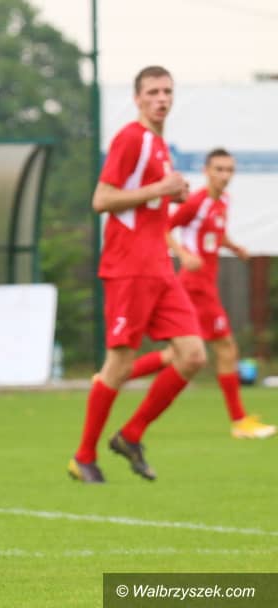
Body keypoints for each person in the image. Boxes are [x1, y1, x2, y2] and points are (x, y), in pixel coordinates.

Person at [68, 66, 207, 484]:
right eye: (153, 92)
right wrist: (159, 190)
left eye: (167, 91)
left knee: (193, 355)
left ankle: (131, 435)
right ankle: (83, 456)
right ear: (137, 98)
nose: (161, 98)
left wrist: (171, 196)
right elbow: (102, 199)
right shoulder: (131, 137)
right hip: (128, 268)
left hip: (159, 269)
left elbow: (146, 205)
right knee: (120, 363)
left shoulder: (159, 145)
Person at [125, 149, 275, 439]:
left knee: (177, 353)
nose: (224, 175)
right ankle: (239, 421)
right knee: (226, 348)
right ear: (206, 171)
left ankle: (111, 377)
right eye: (219, 169)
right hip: (195, 287)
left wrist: (234, 247)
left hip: (204, 286)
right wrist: (183, 254)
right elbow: (164, 228)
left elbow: (216, 234)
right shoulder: (197, 201)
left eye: (229, 170)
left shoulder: (223, 202)